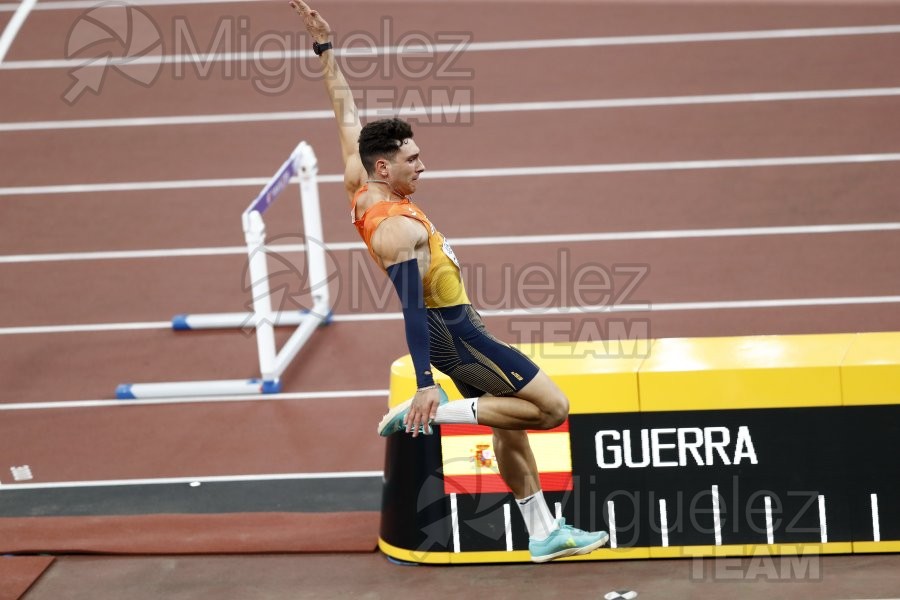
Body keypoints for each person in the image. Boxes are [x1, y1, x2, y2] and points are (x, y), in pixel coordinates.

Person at [289, 0, 608, 563]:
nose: (423, 166)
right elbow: (411, 309)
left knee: (508, 430)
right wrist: (424, 385)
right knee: (551, 408)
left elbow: (344, 114)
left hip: (458, 325)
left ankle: (542, 532)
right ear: (384, 168)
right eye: (412, 159)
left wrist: (325, 49)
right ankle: (435, 416)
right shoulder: (395, 231)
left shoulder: (360, 181)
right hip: (454, 335)